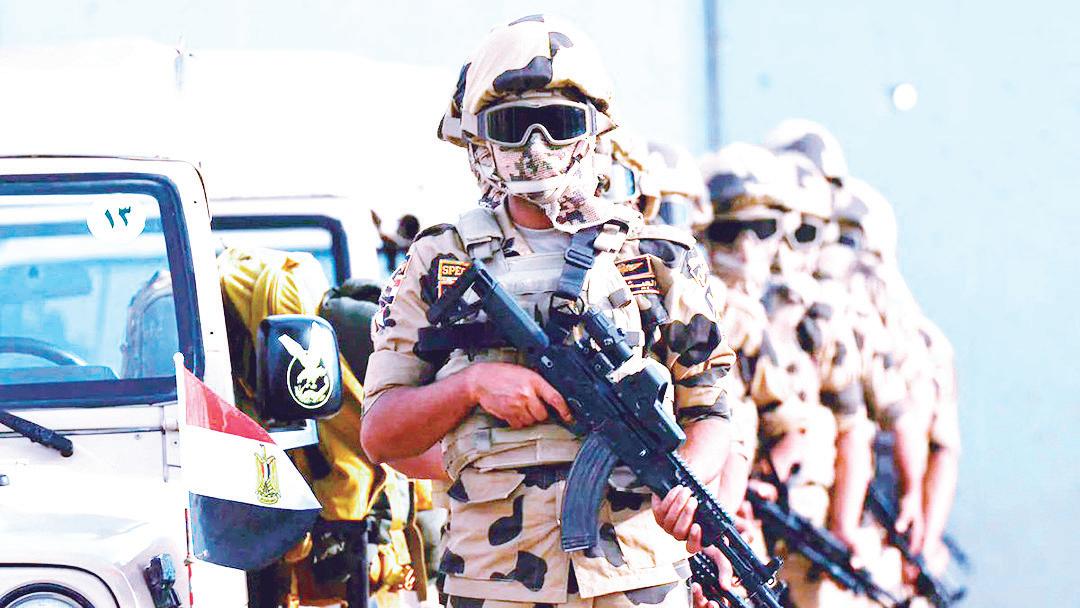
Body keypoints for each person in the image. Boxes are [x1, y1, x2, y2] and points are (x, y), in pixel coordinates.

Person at [361, 15, 736, 608]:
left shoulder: (657, 256)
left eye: (559, 124)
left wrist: (688, 487)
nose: (536, 147)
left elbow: (711, 411)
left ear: (593, 130)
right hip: (493, 579)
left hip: (635, 576)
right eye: (513, 126)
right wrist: (472, 387)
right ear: (478, 136)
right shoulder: (441, 259)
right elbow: (381, 433)